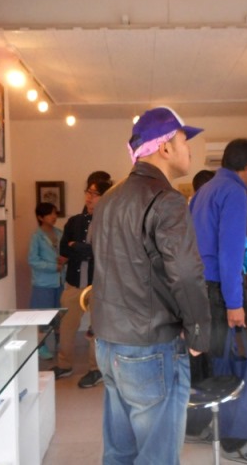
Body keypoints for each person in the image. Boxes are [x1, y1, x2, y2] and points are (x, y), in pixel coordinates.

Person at [90, 106, 212, 464]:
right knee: (157, 456)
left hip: (108, 343)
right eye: (184, 140)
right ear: (165, 147)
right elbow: (186, 273)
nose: (189, 149)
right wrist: (199, 332)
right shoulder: (167, 200)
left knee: (119, 451)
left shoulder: (108, 199)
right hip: (149, 346)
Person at [189, 139, 247, 465]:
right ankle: (234, 441)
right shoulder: (235, 191)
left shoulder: (204, 191)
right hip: (217, 290)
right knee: (225, 365)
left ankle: (199, 426)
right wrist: (235, 303)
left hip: (195, 289)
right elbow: (230, 253)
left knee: (204, 361)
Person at [52, 175, 113, 388]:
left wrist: (78, 247)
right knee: (67, 326)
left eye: (95, 194)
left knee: (97, 329)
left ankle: (96, 370)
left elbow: (107, 252)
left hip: (99, 285)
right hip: (73, 283)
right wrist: (85, 250)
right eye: (88, 192)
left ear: (105, 197)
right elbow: (64, 249)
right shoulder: (74, 222)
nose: (89, 197)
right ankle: (64, 364)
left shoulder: (110, 222)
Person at [28, 202, 66, 360]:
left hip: (60, 281)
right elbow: (33, 260)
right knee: (42, 316)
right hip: (43, 283)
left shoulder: (60, 233)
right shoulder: (36, 236)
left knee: (60, 315)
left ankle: (59, 343)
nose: (54, 216)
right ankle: (40, 346)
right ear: (40, 217)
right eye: (50, 214)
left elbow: (66, 253)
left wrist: (65, 260)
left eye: (55, 213)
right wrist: (53, 267)